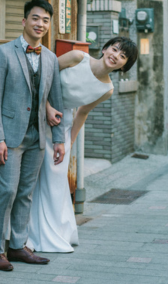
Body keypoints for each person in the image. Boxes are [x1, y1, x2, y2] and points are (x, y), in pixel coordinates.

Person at [27, 36, 138, 253]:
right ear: (105, 49)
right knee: (31, 176)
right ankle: (27, 232)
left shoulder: (107, 89)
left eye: (123, 56)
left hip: (62, 126)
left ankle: (55, 233)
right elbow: (43, 76)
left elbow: (82, 112)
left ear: (125, 65)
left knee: (55, 182)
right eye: (114, 50)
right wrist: (48, 106)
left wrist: (70, 141)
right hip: (39, 113)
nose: (116, 56)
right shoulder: (78, 57)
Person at [0, 0, 65, 271]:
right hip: (10, 137)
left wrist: (59, 140)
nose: (40, 24)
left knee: (26, 193)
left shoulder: (52, 58)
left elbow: (57, 101)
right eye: (35, 18)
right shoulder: (4, 53)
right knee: (7, 191)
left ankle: (18, 246)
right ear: (24, 21)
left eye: (45, 20)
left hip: (38, 138)